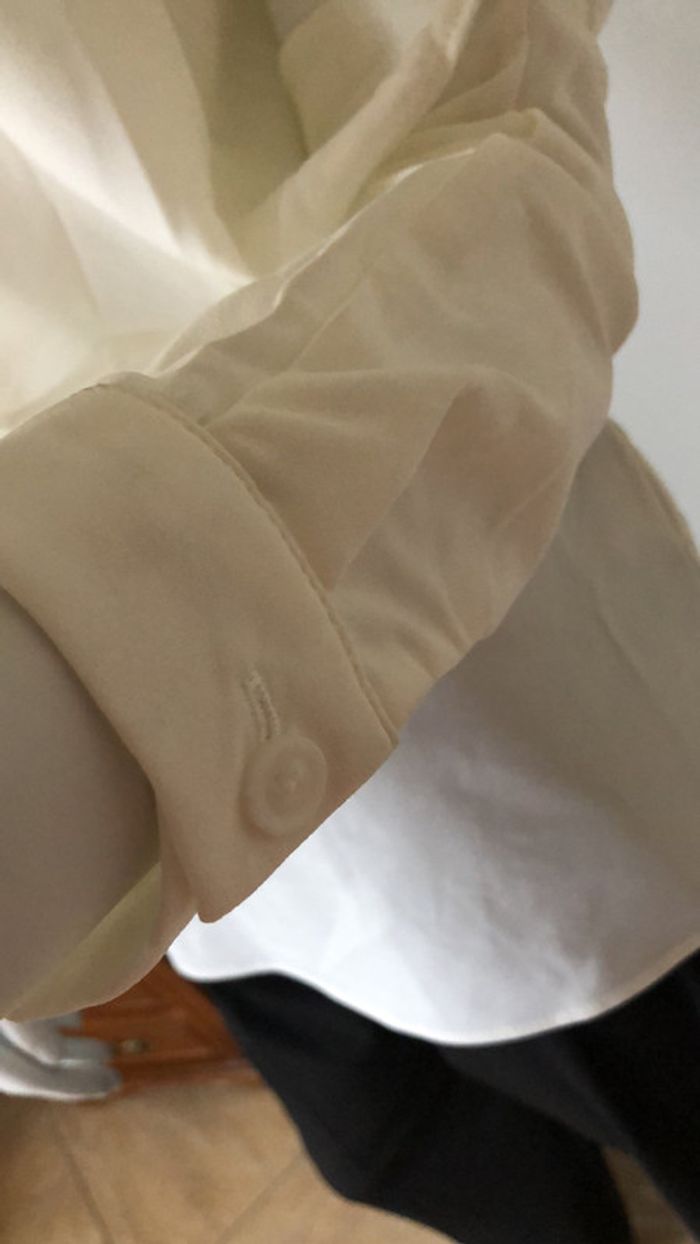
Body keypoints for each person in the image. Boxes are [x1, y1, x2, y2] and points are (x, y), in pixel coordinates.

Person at [1, 1, 699, 1238]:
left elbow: (512, 159)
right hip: (193, 891)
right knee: (436, 1173)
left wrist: (78, 683)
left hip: (497, 727)